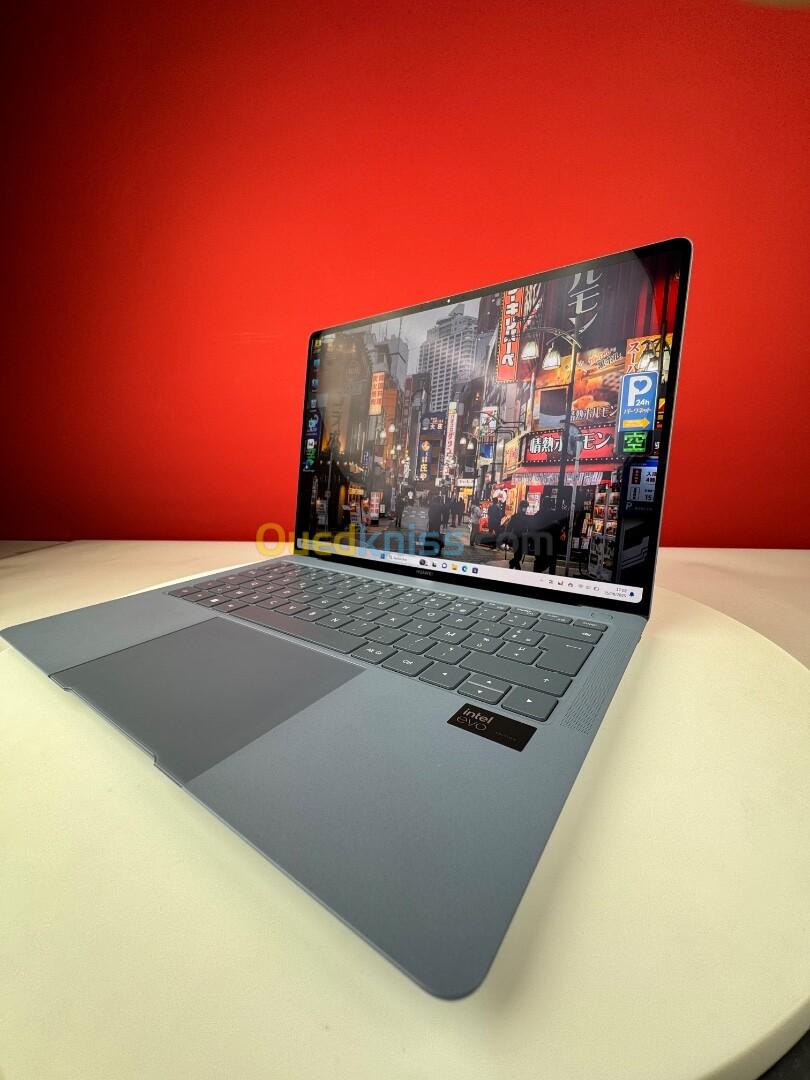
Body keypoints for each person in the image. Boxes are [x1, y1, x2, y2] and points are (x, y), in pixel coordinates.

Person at [506, 500, 533, 570]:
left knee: (518, 556)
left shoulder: (526, 518)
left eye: (526, 507)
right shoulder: (515, 517)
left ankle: (512, 564)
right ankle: (516, 568)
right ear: (520, 507)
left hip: (522, 539)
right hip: (516, 538)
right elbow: (509, 528)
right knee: (518, 556)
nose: (525, 509)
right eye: (524, 507)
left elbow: (529, 529)